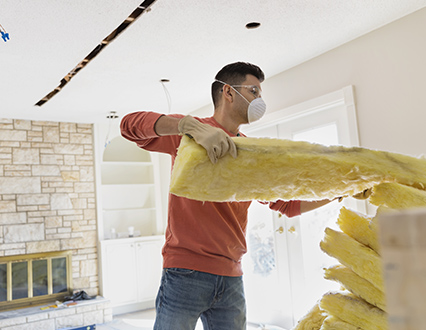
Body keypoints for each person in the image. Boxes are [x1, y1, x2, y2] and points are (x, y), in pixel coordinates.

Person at [120, 62, 336, 330]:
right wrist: (187, 125)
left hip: (231, 277)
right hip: (185, 272)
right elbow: (128, 126)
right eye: (254, 91)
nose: (260, 99)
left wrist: (339, 193)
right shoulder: (189, 133)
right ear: (229, 92)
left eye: (260, 93)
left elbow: (287, 205)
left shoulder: (249, 151)